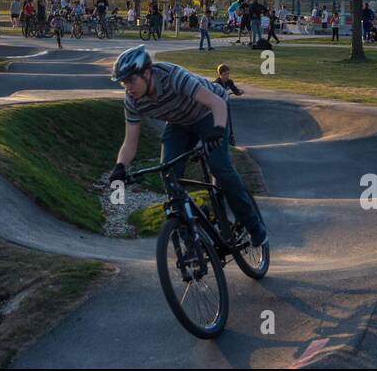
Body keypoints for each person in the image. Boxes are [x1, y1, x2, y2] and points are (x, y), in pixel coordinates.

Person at [107, 45, 267, 248]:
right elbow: (130, 142)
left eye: (131, 79)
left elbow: (217, 103)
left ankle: (255, 227)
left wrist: (217, 130)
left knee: (219, 167)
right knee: (169, 175)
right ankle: (191, 244)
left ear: (147, 73)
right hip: (179, 123)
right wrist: (120, 166)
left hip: (209, 112)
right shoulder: (132, 101)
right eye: (123, 82)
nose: (127, 87)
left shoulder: (172, 76)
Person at [214, 63, 243, 146]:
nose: (227, 76)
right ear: (220, 74)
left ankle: (230, 136)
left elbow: (235, 91)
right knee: (220, 119)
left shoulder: (229, 82)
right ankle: (219, 136)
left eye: (228, 74)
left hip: (225, 103)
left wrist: (239, 92)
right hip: (217, 104)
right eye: (224, 74)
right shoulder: (217, 83)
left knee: (228, 119)